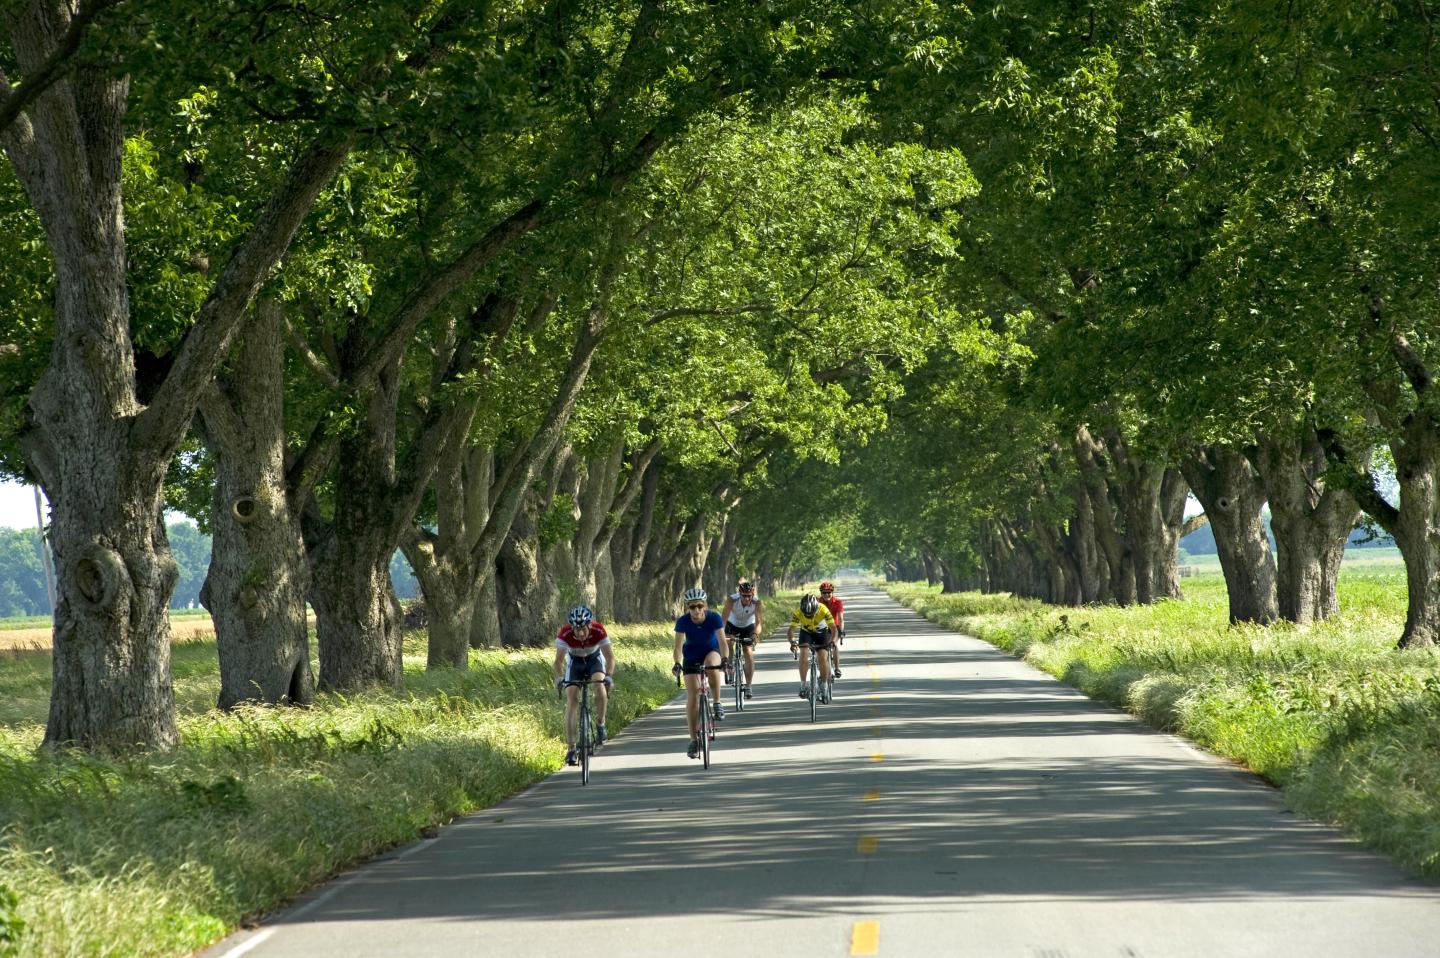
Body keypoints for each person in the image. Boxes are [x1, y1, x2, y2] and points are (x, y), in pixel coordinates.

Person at [552, 604, 615, 766]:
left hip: (594, 660)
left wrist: (608, 676)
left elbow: (610, 658)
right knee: (572, 699)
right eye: (576, 629)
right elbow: (558, 661)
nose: (579, 633)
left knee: (598, 686)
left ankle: (601, 724)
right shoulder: (565, 633)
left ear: (589, 625)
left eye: (583, 629)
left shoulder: (599, 630)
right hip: (575, 663)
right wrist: (559, 678)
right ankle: (571, 748)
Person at [673, 586, 727, 759]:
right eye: (692, 607)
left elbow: (722, 641)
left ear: (705, 605)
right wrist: (676, 663)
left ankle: (717, 702)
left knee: (712, 664)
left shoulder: (714, 618)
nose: (696, 610)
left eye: (699, 606)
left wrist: (725, 659)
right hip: (691, 656)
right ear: (687, 608)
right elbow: (677, 647)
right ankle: (693, 740)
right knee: (693, 695)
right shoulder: (683, 622)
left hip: (712, 652)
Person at [787, 592, 836, 702]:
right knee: (803, 654)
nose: (809, 616)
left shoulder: (823, 609)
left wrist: (832, 641)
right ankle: (803, 685)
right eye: (806, 615)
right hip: (806, 633)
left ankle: (824, 686)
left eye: (812, 614)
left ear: (816, 608)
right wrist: (792, 642)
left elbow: (833, 629)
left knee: (822, 657)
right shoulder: (799, 612)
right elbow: (791, 629)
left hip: (822, 633)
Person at [720, 578, 764, 699]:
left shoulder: (757, 603)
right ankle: (730, 668)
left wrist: (755, 634)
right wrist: (722, 635)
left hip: (747, 626)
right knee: (728, 644)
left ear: (752, 594)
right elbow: (723, 620)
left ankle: (748, 686)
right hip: (731, 624)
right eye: (744, 596)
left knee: (748, 652)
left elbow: (759, 623)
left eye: (749, 596)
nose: (746, 599)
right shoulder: (732, 600)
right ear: (739, 594)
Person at [818, 580, 845, 679]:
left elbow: (841, 618)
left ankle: (837, 668)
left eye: (829, 592)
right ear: (821, 593)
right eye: (824, 592)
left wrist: (841, 631)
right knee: (819, 649)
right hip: (821, 627)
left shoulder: (838, 602)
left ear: (832, 592)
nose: (826, 594)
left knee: (833, 645)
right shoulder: (817, 602)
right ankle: (822, 670)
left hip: (834, 627)